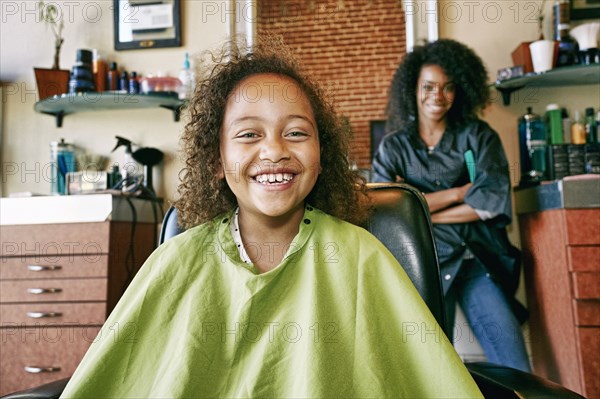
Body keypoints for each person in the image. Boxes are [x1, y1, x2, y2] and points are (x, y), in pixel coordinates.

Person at [60, 39, 482, 398]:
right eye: (248, 134)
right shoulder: (174, 262)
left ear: (322, 156)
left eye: (296, 132)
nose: (275, 150)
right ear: (216, 160)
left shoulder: (361, 257)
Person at [372, 39, 531, 372]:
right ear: (412, 89)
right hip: (421, 264)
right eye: (428, 86)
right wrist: (460, 193)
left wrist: (416, 207)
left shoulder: (478, 136)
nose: (438, 96)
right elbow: (384, 214)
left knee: (515, 367)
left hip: (474, 260)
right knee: (428, 371)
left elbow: (490, 204)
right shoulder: (393, 146)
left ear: (460, 90)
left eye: (448, 87)